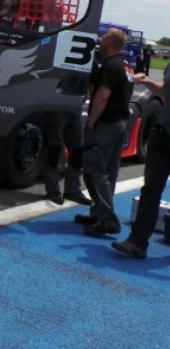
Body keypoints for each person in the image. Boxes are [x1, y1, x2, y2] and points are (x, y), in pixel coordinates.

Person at [75, 28, 133, 237]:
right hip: (121, 123)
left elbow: (102, 96)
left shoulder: (110, 66)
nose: (101, 39)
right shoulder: (127, 66)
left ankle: (107, 219)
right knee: (109, 171)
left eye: (104, 37)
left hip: (106, 124)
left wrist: (90, 123)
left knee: (94, 169)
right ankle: (99, 213)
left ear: (109, 43)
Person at [111, 64, 170, 259]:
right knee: (151, 189)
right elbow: (165, 89)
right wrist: (149, 83)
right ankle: (137, 242)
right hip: (162, 134)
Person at [42, 109, 92, 206]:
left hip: (73, 108)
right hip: (55, 107)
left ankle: (72, 190)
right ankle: (52, 190)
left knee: (78, 149)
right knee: (54, 148)